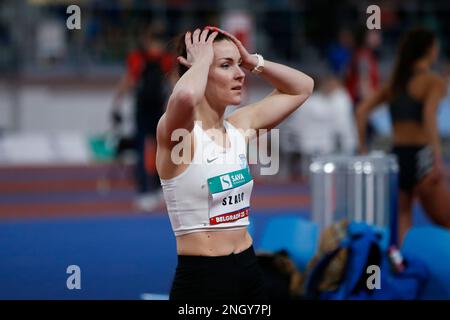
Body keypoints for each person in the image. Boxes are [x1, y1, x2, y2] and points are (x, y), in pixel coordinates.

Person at [156, 26, 314, 300]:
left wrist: (254, 61)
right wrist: (202, 61)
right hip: (204, 281)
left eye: (238, 65)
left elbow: (302, 87)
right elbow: (184, 97)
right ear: (199, 71)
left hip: (249, 269)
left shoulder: (239, 127)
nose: (240, 74)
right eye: (226, 66)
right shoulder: (180, 137)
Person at [356, 27, 450, 243]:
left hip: (397, 158)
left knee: (402, 220)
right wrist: (437, 158)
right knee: (446, 221)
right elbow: (428, 115)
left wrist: (363, 149)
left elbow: (361, 111)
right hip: (422, 157)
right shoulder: (433, 82)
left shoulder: (394, 84)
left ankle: (401, 267)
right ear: (429, 50)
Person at [111, 23, 175, 211]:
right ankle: (143, 191)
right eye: (154, 40)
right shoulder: (138, 58)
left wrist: (176, 105)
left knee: (162, 151)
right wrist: (117, 103)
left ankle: (157, 189)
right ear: (148, 41)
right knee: (141, 151)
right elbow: (129, 80)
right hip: (143, 111)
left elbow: (173, 83)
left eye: (159, 41)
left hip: (159, 111)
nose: (157, 44)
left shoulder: (166, 59)